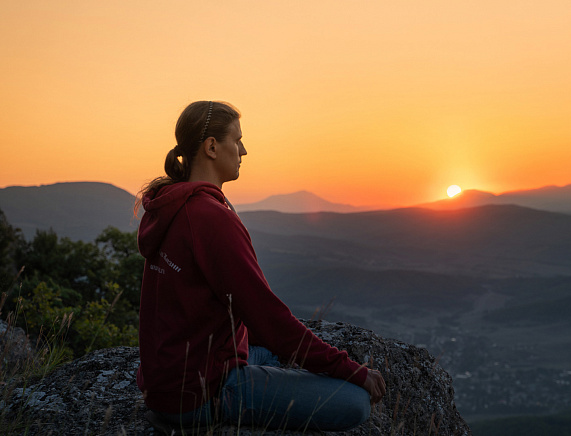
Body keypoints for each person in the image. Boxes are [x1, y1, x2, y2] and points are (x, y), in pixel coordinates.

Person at [135, 101, 386, 433]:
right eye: (236, 140)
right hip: (203, 395)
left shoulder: (169, 206)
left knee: (267, 351)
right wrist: (351, 371)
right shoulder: (210, 218)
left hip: (167, 384)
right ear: (211, 147)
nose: (244, 150)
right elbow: (269, 318)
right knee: (354, 403)